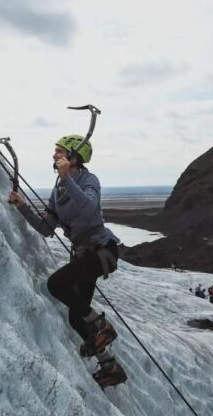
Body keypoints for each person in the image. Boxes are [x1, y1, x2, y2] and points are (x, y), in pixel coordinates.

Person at [9, 134, 126, 389]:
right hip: (87, 255)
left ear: (74, 157)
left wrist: (66, 179)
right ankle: (109, 367)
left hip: (102, 251)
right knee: (75, 317)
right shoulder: (58, 190)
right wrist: (22, 206)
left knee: (57, 284)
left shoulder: (88, 180)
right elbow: (46, 227)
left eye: (59, 152)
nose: (54, 156)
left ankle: (100, 324)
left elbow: (89, 207)